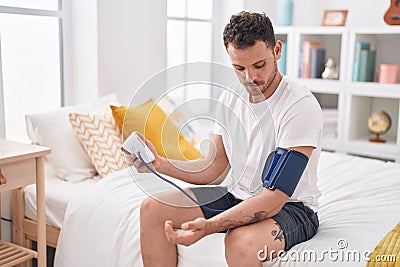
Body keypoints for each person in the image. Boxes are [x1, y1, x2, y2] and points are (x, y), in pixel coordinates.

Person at [129, 11, 323, 266]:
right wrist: (160, 164)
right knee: (151, 209)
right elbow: (214, 168)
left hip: (292, 208)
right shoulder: (229, 98)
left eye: (259, 65)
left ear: (277, 50)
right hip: (238, 195)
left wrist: (210, 226)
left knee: (239, 242)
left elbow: (274, 198)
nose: (250, 78)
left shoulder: (299, 105)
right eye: (239, 68)